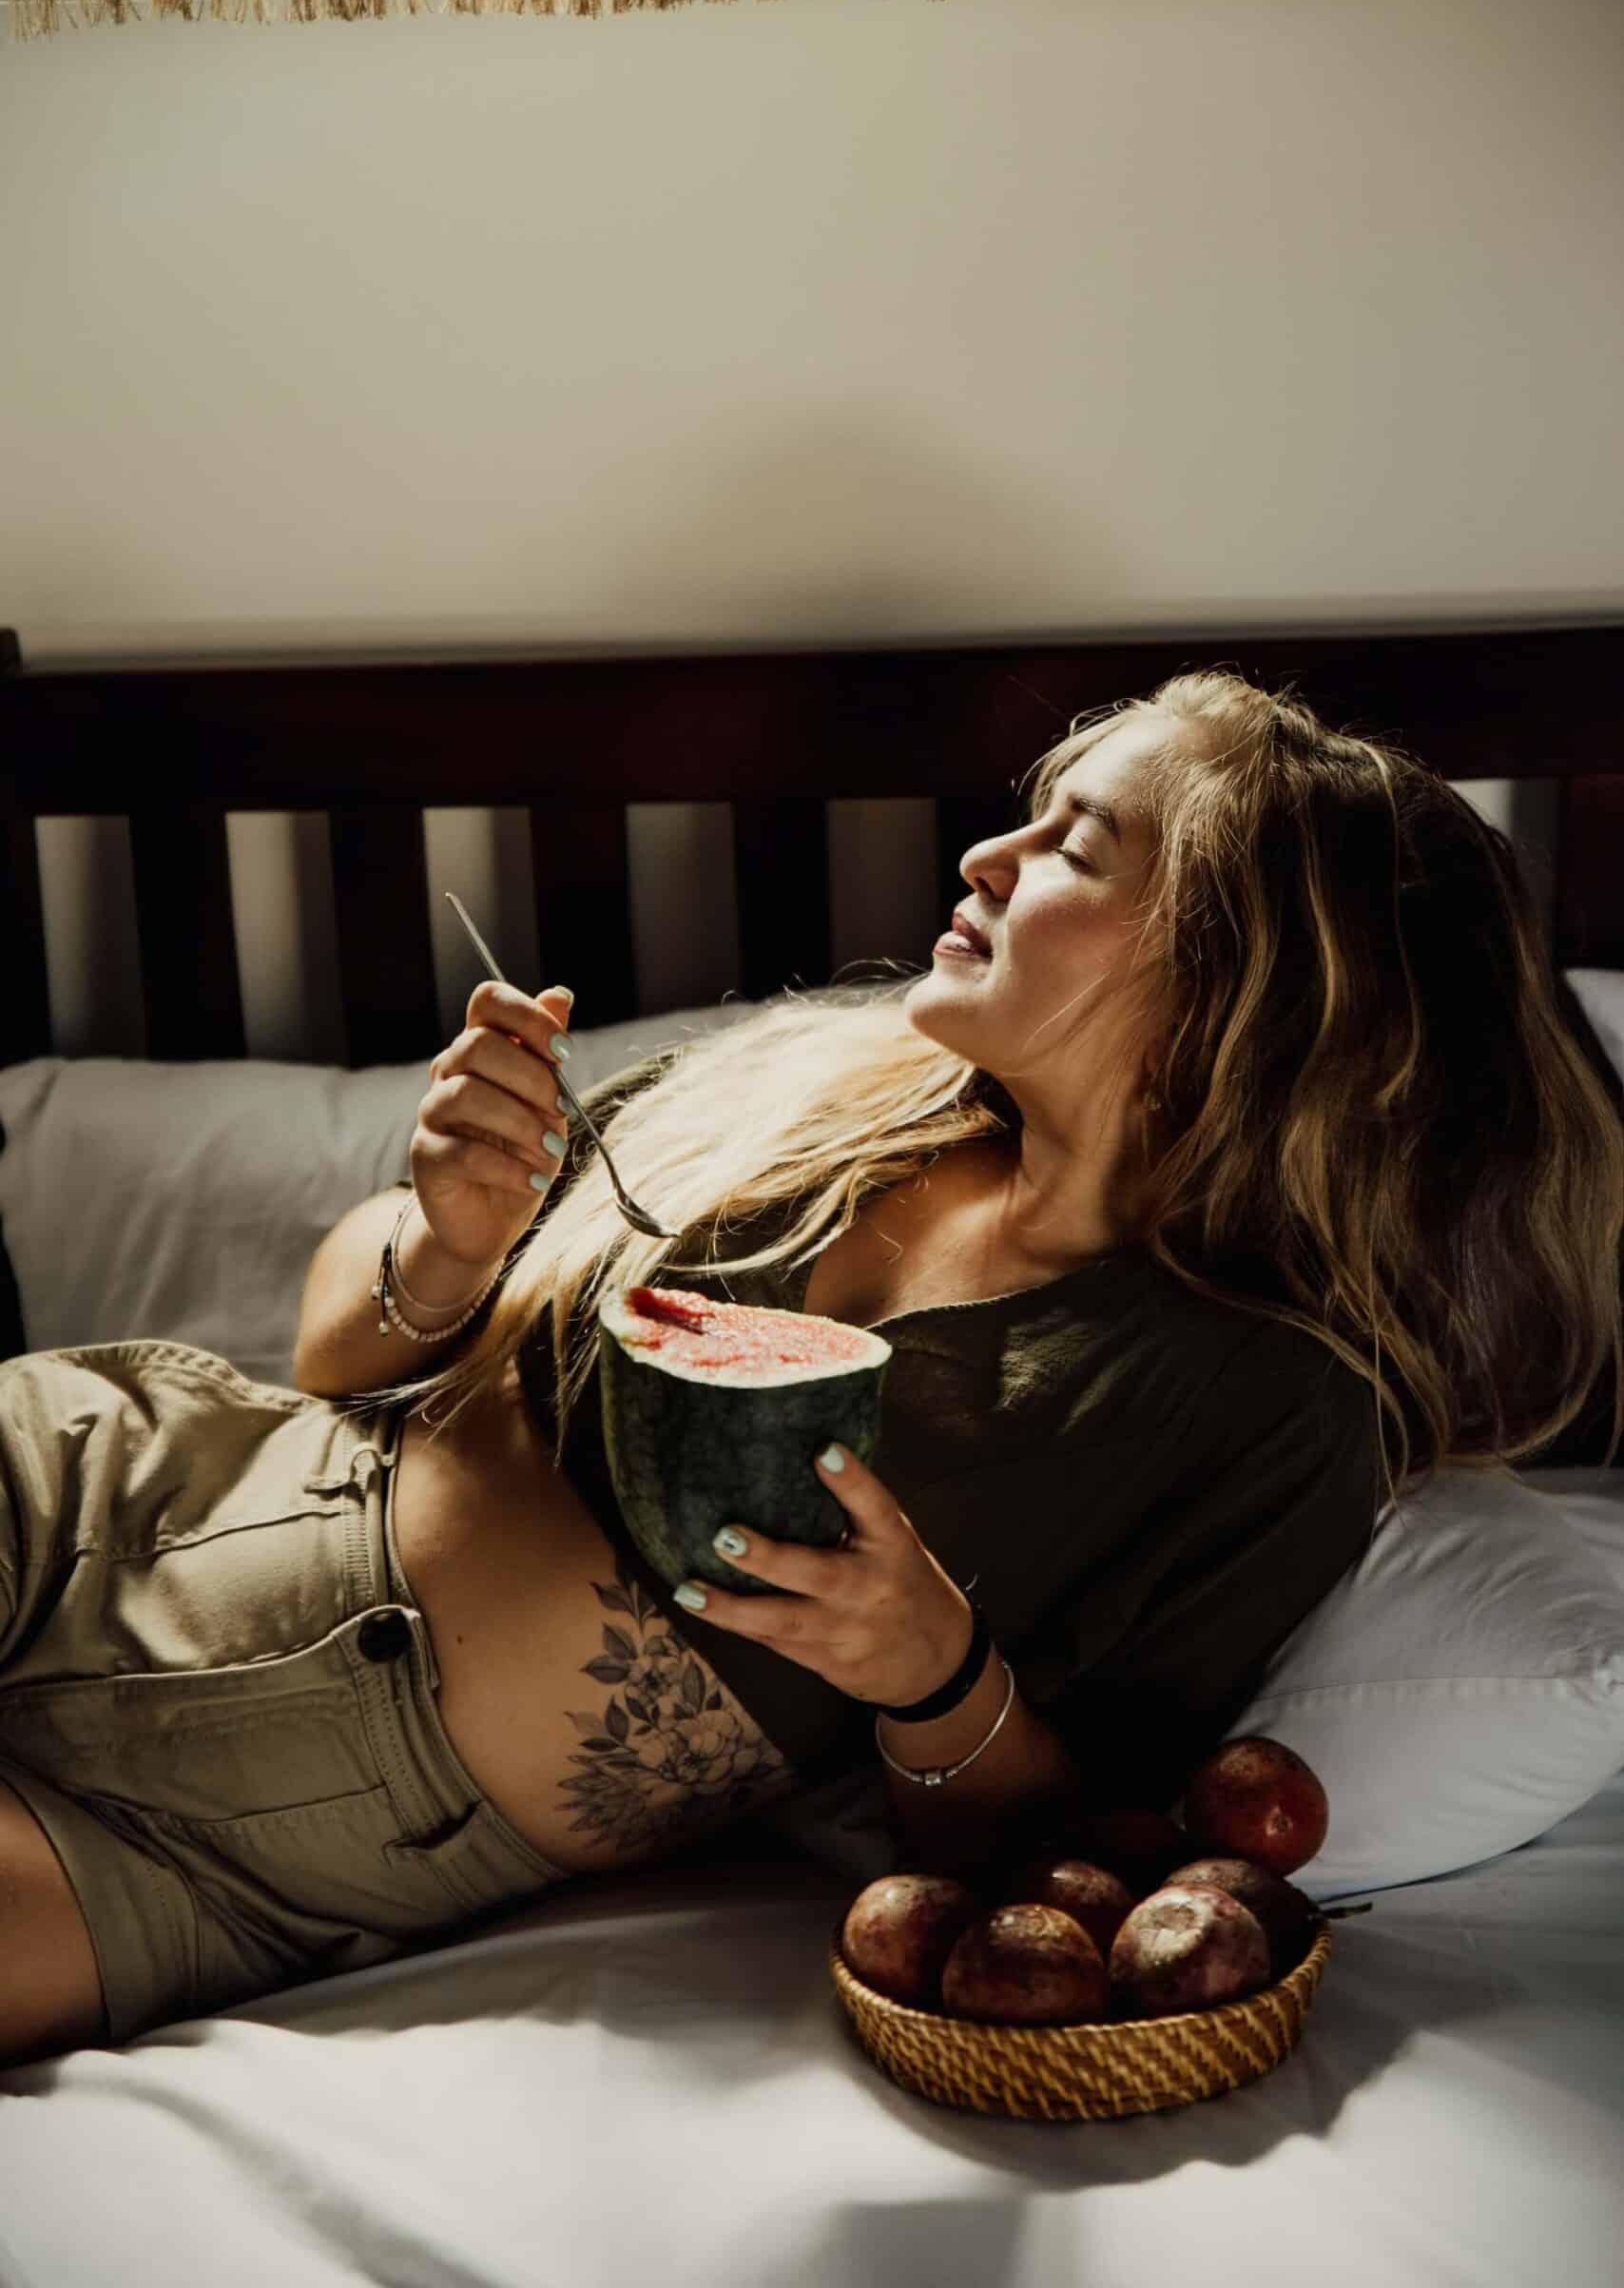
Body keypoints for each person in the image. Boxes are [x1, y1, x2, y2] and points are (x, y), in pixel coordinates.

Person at [1, 667, 1619, 2067]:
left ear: (1235, 983)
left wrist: (933, 1671)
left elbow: (1078, 1857)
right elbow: (331, 1353)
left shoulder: (1264, 1402)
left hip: (252, 1855)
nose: (984, 855)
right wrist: (442, 1243)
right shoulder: (831, 1087)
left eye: (1075, 846)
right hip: (98, 1485)